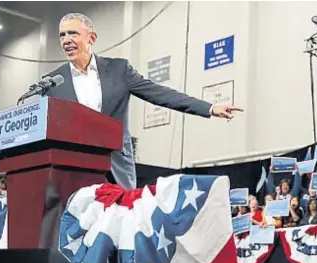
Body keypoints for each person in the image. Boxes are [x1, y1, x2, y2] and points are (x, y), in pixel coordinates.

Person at [43, 13, 242, 189]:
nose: (66, 40)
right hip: (74, 170)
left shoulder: (119, 70)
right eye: (62, 35)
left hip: (115, 167)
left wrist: (209, 107)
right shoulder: (52, 82)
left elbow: (159, 94)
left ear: (91, 38)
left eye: (73, 33)